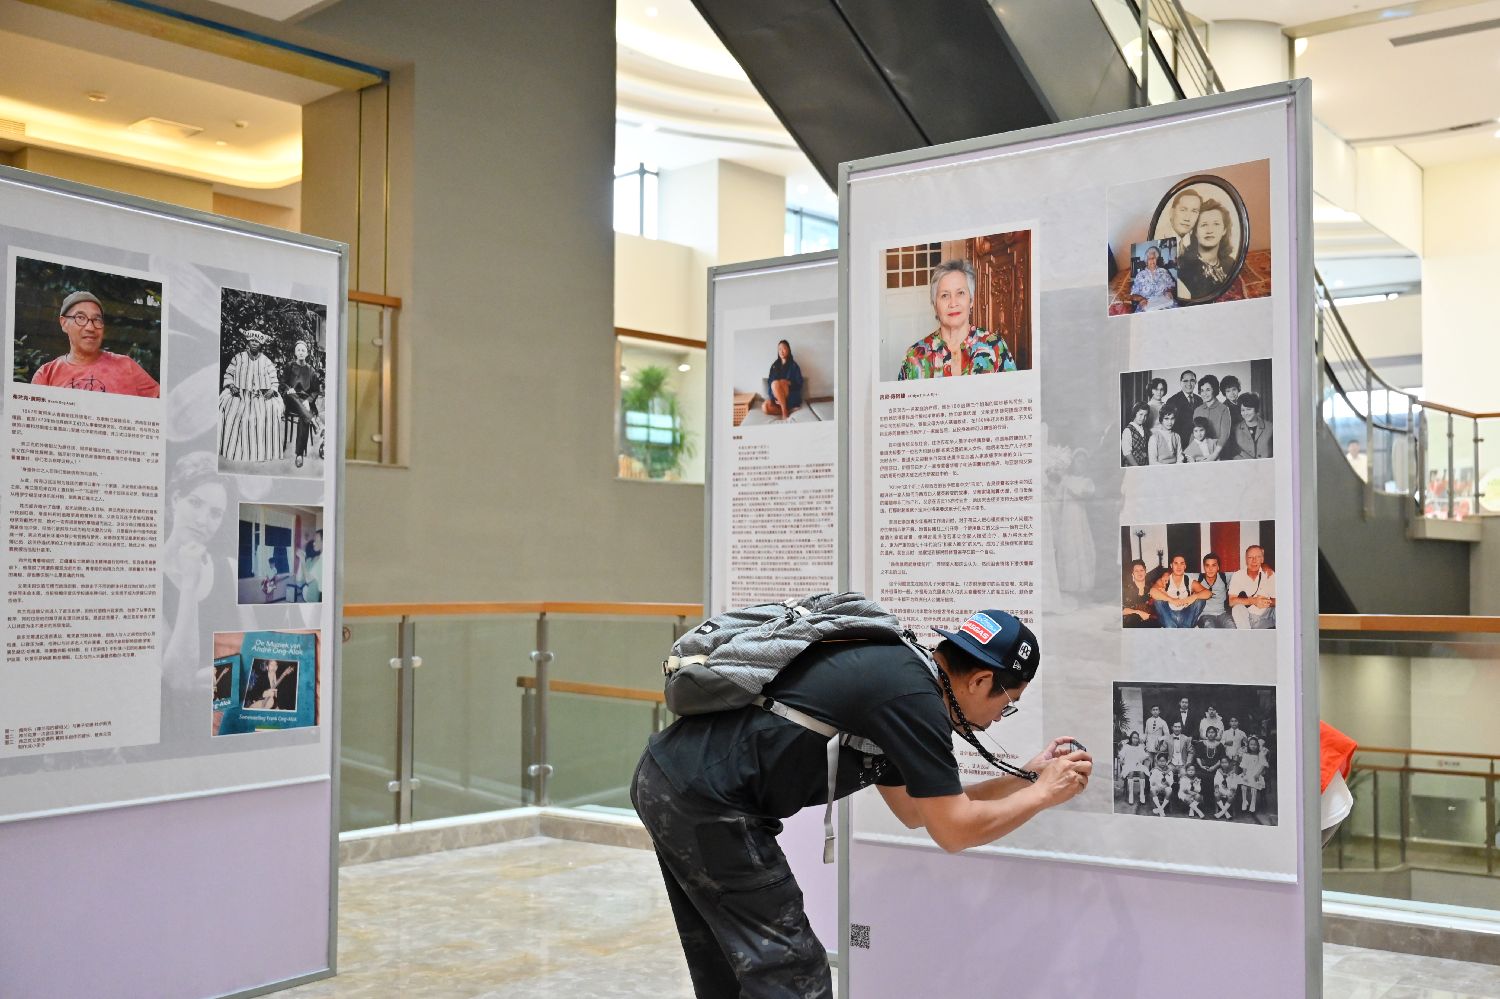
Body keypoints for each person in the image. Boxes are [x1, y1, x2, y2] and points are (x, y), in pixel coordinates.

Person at [633, 608, 1091, 997]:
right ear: (981, 680)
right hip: (707, 802)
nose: (1000, 717)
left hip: (673, 781)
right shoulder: (914, 698)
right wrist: (1043, 794)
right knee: (792, 971)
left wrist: (1027, 780)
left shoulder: (904, 680)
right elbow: (954, 830)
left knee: (731, 963)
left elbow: (918, 811)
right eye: (1008, 702)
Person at [897, 259, 1016, 379]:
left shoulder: (996, 346)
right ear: (935, 305)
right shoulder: (914, 356)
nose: (953, 303)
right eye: (945, 295)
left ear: (971, 301)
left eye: (960, 293)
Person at [30, 290, 159, 397]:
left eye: (97, 320)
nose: (90, 328)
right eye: (80, 318)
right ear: (64, 323)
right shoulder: (46, 375)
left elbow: (163, 406)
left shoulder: (127, 366)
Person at [218, 330, 286, 463]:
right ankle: (235, 450)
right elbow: (229, 374)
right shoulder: (238, 358)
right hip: (240, 394)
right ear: (248, 342)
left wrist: (272, 390)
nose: (254, 343)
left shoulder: (266, 361)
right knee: (233, 410)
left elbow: (274, 379)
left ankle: (262, 452)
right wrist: (231, 386)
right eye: (252, 341)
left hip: (260, 395)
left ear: (261, 344)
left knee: (269, 410)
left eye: (257, 341)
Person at [1177, 198, 1238, 301]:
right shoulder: (1183, 268)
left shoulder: (1230, 263)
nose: (1210, 230)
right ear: (1195, 232)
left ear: (1224, 230)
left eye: (1216, 224)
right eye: (1204, 225)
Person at [282, 340, 322, 467]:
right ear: (295, 352)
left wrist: (308, 401)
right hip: (291, 399)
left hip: (305, 401)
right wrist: (288, 389)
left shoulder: (311, 370)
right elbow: (282, 383)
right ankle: (313, 420)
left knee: (304, 417)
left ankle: (299, 455)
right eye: (298, 350)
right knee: (292, 396)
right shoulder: (289, 366)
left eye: (303, 350)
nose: (300, 352)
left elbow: (316, 391)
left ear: (307, 353)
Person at [1228, 544, 1276, 629]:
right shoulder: (1238, 575)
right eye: (1250, 557)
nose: (1254, 561)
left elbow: (1278, 600)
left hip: (1267, 616)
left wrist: (1266, 602)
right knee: (1237, 608)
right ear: (1246, 560)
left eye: (1258, 557)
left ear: (1262, 559)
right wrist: (1253, 601)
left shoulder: (1269, 574)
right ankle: (1247, 635)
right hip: (1247, 618)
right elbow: (1231, 601)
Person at [1150, 555, 1203, 628]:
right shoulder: (1164, 580)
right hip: (1169, 615)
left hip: (1186, 615)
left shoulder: (1190, 581)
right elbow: (1152, 591)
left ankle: (1185, 626)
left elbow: (1208, 593)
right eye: (1176, 563)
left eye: (1182, 563)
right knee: (1158, 599)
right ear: (1171, 565)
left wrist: (1194, 596)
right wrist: (1171, 599)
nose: (1179, 566)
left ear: (1185, 566)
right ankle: (1171, 626)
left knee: (1200, 599)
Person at [761, 338, 805, 418]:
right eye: (779, 349)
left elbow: (800, 383)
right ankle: (787, 410)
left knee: (776, 383)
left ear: (788, 350)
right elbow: (769, 382)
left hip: (790, 397)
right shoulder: (774, 366)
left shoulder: (794, 366)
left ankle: (784, 413)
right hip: (776, 398)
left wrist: (789, 382)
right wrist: (773, 398)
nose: (781, 351)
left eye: (784, 348)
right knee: (765, 407)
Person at [1129, 244, 1177, 312]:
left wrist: (1169, 291)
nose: (1152, 260)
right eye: (1149, 258)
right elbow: (1132, 295)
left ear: (1156, 259)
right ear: (1146, 261)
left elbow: (1172, 285)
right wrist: (1141, 299)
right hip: (1147, 305)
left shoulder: (1164, 271)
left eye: (1154, 258)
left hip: (1165, 303)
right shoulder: (1140, 275)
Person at [1160, 370, 1199, 449]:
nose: (1189, 384)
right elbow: (1168, 426)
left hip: (1197, 443)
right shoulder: (1172, 400)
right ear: (1181, 382)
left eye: (1192, 380)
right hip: (1179, 444)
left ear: (1195, 382)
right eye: (1185, 381)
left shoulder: (1200, 400)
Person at [1227, 391, 1272, 459]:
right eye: (1243, 410)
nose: (1246, 413)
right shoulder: (1235, 429)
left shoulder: (1271, 427)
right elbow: (1233, 453)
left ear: (1256, 409)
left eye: (1249, 409)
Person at [1193, 553, 1233, 628]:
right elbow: (1180, 575)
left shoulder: (1224, 577)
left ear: (1218, 567)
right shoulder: (1198, 578)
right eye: (1207, 565)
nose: (1210, 569)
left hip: (1222, 614)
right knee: (1210, 628)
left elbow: (1241, 574)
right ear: (1204, 567)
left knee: (1232, 627)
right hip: (1205, 615)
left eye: (1213, 565)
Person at [1193, 373, 1231, 448]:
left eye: (1208, 390)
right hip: (1201, 451)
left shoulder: (1223, 409)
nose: (1204, 394)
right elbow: (1194, 434)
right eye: (1202, 390)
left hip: (1219, 451)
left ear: (1214, 390)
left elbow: (1224, 436)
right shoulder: (1197, 410)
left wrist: (1214, 453)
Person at [1161, 187, 1202, 255]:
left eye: (1194, 211)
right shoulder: (1159, 239)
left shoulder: (1200, 244)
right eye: (1183, 210)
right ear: (1171, 212)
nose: (1187, 218)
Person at [1122, 559, 1157, 628]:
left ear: (1145, 572)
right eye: (1136, 571)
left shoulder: (1153, 587)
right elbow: (1121, 610)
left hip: (1151, 624)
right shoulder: (1126, 589)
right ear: (1132, 574)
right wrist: (1138, 612)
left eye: (1141, 570)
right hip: (1132, 625)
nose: (1139, 573)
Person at [1119, 731, 1150, 807]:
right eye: (1134, 738)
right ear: (1131, 738)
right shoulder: (1126, 746)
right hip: (1128, 765)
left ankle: (1142, 795)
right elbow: (1121, 755)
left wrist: (1146, 756)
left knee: (1142, 772)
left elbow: (1144, 755)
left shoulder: (1140, 747)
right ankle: (1131, 795)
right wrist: (1121, 759)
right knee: (1131, 772)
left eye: (1137, 738)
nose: (1135, 739)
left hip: (1137, 764)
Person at [1240, 736, 1268, 814]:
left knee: (1254, 786)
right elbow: (1244, 765)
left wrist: (1258, 774)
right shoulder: (1246, 755)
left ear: (1258, 746)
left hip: (1256, 774)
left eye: (1255, 745)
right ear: (1248, 745)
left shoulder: (1260, 754)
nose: (1253, 746)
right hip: (1248, 773)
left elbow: (1263, 765)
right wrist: (1244, 774)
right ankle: (1244, 801)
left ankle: (1253, 804)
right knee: (1243, 785)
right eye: (1251, 744)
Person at [297, 529, 324, 603]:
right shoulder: (319, 558)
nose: (314, 543)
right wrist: (302, 560)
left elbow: (308, 579)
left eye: (316, 540)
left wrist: (302, 559)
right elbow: (299, 582)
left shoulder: (323, 559)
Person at [1121, 402, 1151, 466]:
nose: (1143, 418)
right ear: (1135, 413)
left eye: (1145, 415)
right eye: (1141, 414)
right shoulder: (1128, 431)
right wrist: (1137, 467)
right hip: (1133, 466)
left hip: (1144, 464)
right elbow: (1127, 453)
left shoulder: (1145, 430)